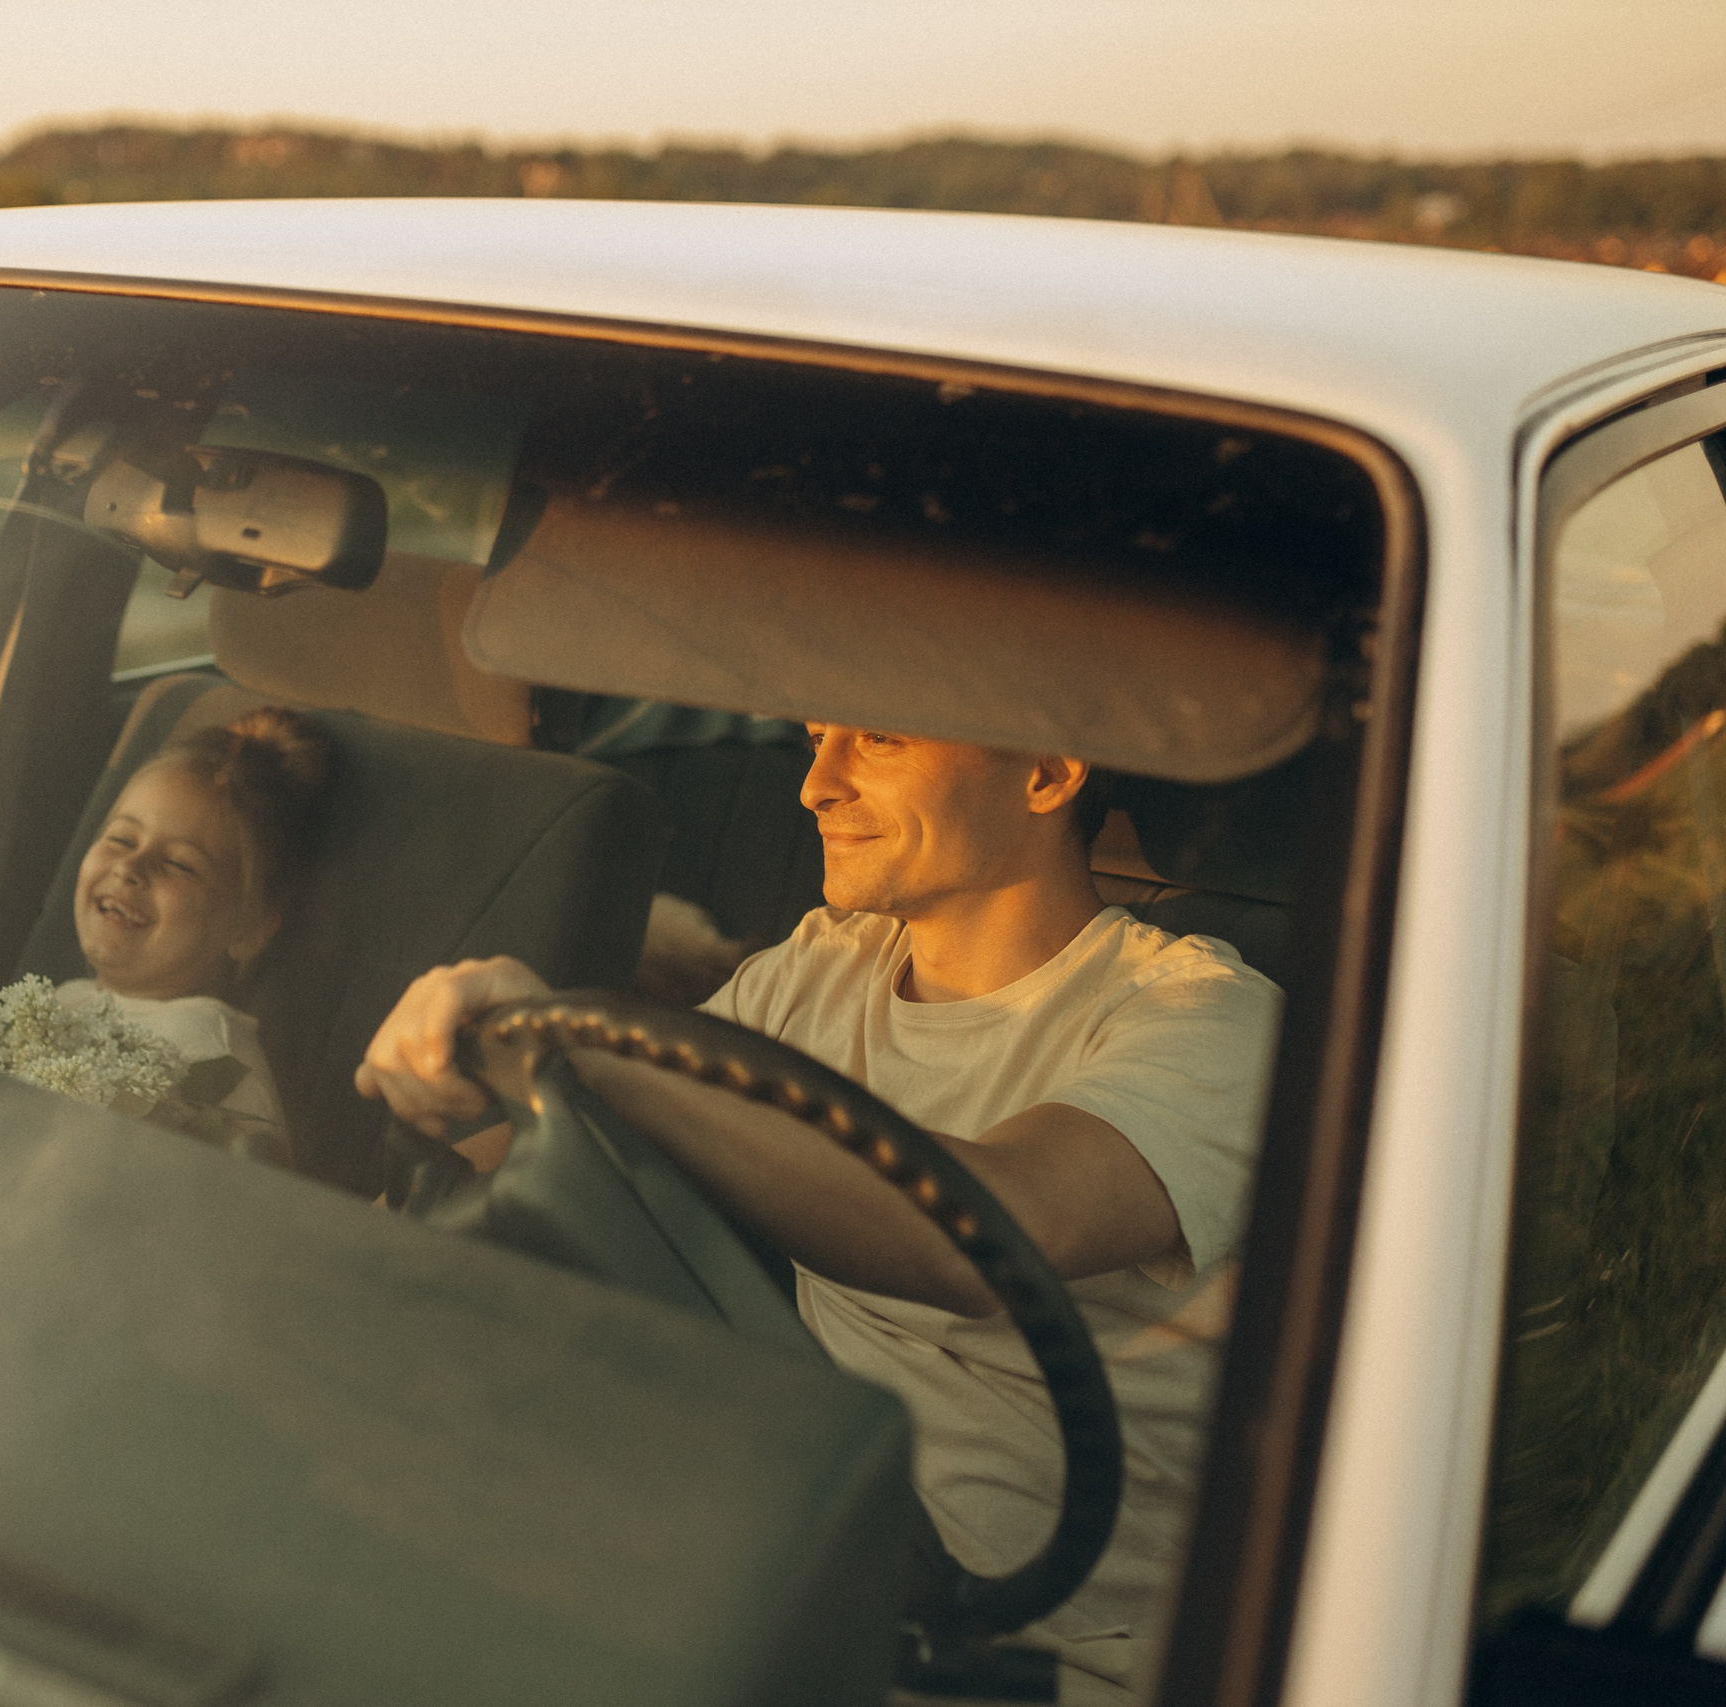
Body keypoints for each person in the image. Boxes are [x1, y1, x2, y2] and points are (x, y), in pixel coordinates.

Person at [354, 722, 1280, 1703]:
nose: (813, 786)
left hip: (1033, 1654)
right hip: (782, 1542)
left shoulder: (1205, 1019)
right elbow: (591, 1145)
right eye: (812, 738)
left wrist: (581, 1050)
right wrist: (443, 1106)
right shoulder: (819, 968)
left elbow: (984, 1231)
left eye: (874, 741)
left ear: (1047, 772)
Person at [65, 706, 330, 1167]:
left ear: (248, 931)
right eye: (122, 839)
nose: (129, 867)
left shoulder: (210, 1059)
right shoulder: (70, 999)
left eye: (180, 864)